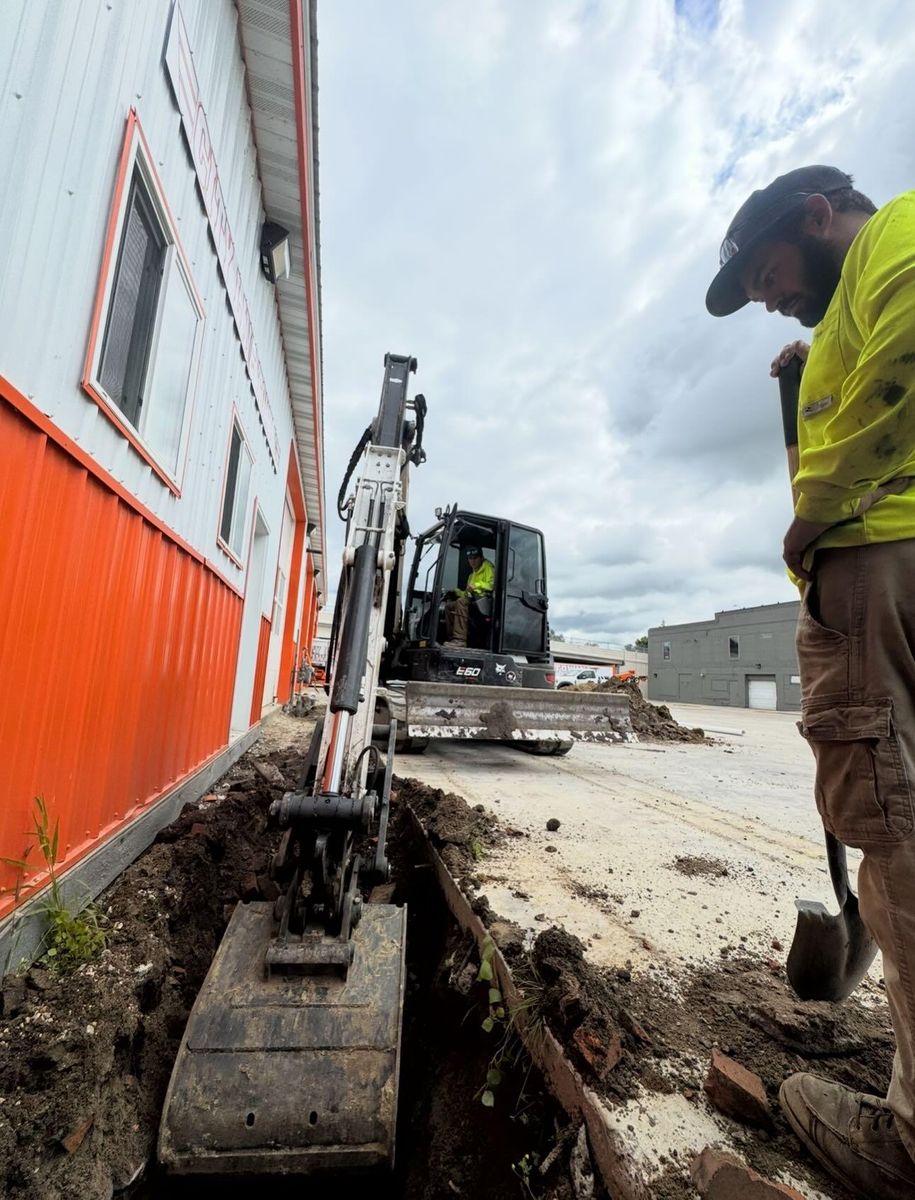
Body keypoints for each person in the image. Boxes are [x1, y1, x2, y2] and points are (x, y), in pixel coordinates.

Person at [706, 165, 915, 1199]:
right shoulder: (844, 311)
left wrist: (814, 516)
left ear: (818, 216)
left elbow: (906, 363)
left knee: (897, 833)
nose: (771, 298)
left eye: (769, 274)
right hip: (867, 577)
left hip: (880, 577)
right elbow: (839, 429)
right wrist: (800, 385)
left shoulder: (897, 240)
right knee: (896, 824)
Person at [443, 546, 494, 648]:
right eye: (470, 558)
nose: (472, 561)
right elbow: (467, 594)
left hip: (485, 601)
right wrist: (456, 592)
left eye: (475, 558)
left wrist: (477, 585)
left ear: (481, 558)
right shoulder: (471, 575)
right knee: (449, 606)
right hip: (473, 600)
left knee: (461, 602)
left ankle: (460, 640)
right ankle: (452, 639)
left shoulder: (488, 567)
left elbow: (492, 585)